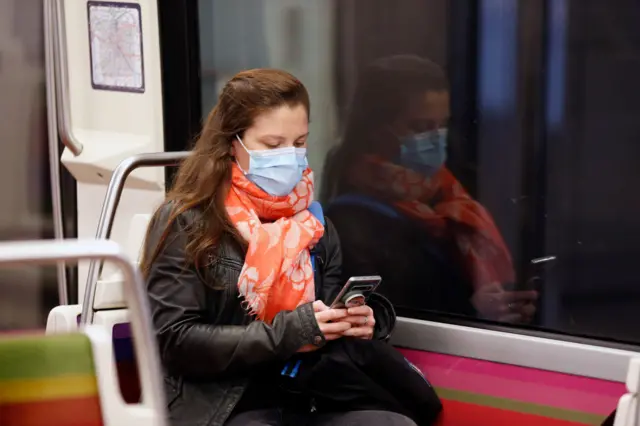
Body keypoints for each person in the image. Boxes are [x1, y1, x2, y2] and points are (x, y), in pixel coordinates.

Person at [141, 69, 415, 426]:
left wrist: (356, 319)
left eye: (299, 143)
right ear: (231, 144)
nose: (290, 157)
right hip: (223, 405)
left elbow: (325, 311)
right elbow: (175, 341)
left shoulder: (314, 223)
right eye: (273, 145)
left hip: (309, 394)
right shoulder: (189, 223)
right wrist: (291, 332)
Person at [322, 55, 537, 323]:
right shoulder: (349, 222)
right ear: (376, 130)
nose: (435, 137)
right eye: (421, 127)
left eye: (442, 126)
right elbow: (376, 324)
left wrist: (500, 306)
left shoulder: (445, 192)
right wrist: (469, 312)